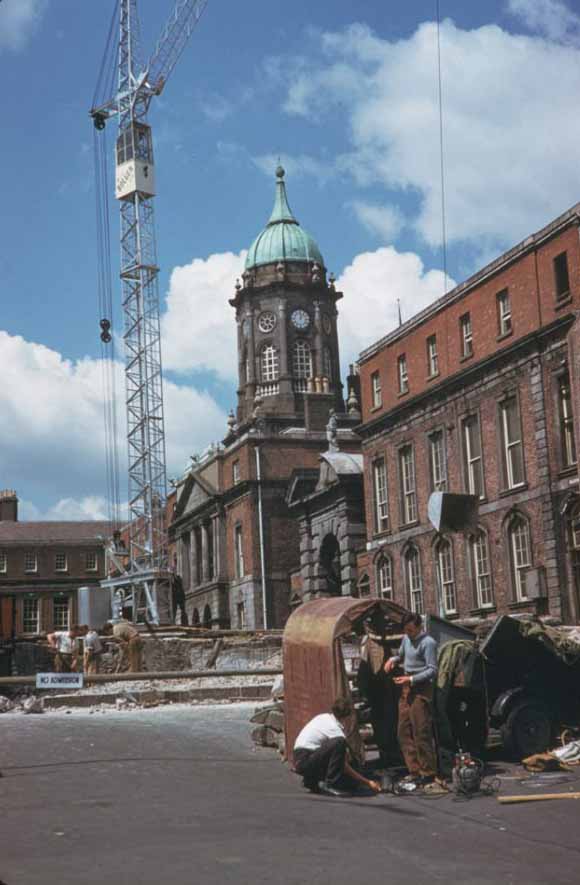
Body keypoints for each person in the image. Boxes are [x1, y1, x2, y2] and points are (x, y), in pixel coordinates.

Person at [384, 612, 438, 786]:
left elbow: (432, 670)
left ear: (419, 627)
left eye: (411, 630)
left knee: (421, 731)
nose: (408, 633)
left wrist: (412, 679)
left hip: (421, 687)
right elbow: (400, 654)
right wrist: (392, 660)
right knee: (403, 730)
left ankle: (428, 771)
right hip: (406, 687)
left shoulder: (428, 643)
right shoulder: (406, 639)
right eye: (406, 630)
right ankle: (414, 770)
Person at [293, 697, 381, 798]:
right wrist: (367, 782)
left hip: (300, 758)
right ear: (348, 717)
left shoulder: (323, 717)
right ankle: (331, 784)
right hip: (305, 760)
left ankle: (310, 780)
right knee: (339, 742)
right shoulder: (335, 729)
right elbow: (342, 764)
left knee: (347, 775)